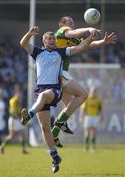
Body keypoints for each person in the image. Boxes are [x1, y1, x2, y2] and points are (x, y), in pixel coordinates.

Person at [19, 26, 96, 173]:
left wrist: (90, 38)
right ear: (44, 41)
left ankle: (29, 114)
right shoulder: (37, 52)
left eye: (54, 39)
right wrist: (29, 33)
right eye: (50, 39)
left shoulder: (60, 52)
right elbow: (23, 43)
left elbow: (79, 48)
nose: (53, 40)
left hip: (54, 90)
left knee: (43, 96)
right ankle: (55, 158)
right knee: (45, 128)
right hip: (39, 90)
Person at [50, 16, 117, 146]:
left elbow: (88, 45)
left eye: (73, 22)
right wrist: (89, 28)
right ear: (62, 24)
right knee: (84, 95)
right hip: (58, 72)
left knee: (70, 105)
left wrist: (103, 42)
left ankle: (56, 131)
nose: (73, 23)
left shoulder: (71, 39)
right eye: (70, 21)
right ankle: (56, 126)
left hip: (57, 74)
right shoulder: (63, 31)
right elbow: (74, 32)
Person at [0, 84, 28, 154]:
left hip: (18, 119)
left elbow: (19, 111)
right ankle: (2, 146)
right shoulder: (13, 101)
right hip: (13, 119)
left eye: (20, 93)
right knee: (11, 136)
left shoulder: (18, 101)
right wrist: (22, 116)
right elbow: (14, 112)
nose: (20, 95)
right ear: (16, 93)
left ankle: (23, 149)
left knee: (22, 133)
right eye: (19, 93)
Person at [80, 87, 103, 151]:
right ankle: (86, 147)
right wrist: (81, 117)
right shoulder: (87, 100)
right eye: (93, 91)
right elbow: (83, 109)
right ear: (90, 91)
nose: (94, 92)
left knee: (94, 132)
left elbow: (100, 109)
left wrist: (101, 117)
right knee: (87, 132)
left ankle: (93, 148)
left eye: (95, 91)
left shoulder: (98, 100)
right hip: (88, 117)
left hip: (95, 117)